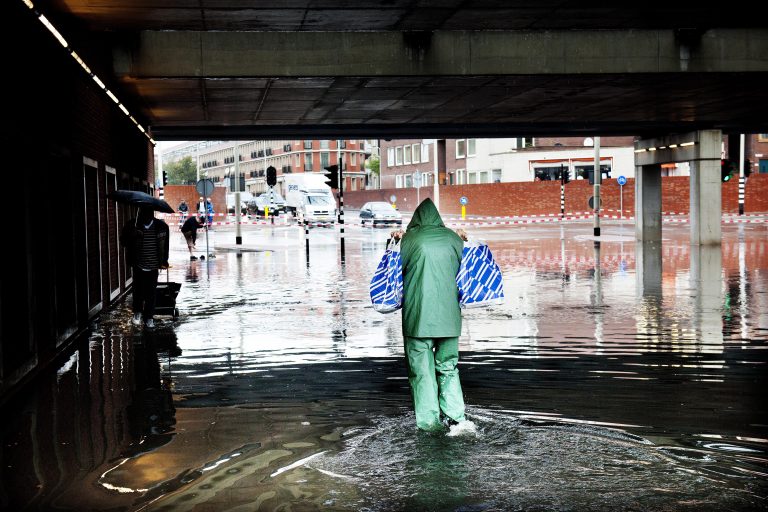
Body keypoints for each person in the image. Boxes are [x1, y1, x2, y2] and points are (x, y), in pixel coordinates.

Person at [392, 198, 467, 432]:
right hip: (450, 320)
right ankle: (456, 418)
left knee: (422, 372)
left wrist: (394, 241)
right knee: (448, 367)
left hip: (418, 319)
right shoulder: (455, 239)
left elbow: (391, 271)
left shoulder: (408, 240)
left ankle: (429, 424)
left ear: (416, 220)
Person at [121, 207, 170, 329]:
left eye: (148, 212)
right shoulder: (133, 225)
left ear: (152, 213)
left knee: (151, 293)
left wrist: (164, 261)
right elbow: (123, 241)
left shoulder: (161, 226)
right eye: (143, 212)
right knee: (138, 291)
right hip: (138, 264)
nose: (146, 215)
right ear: (140, 213)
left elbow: (166, 245)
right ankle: (137, 313)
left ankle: (149, 318)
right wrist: (132, 235)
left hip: (153, 266)